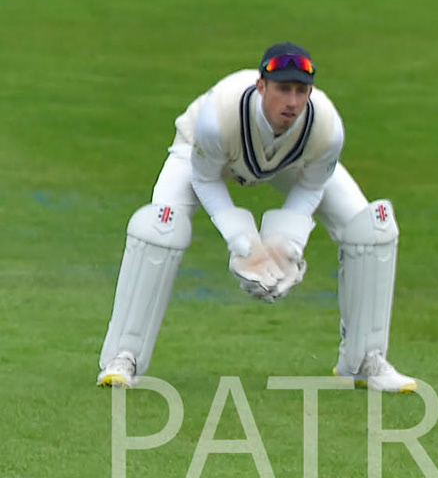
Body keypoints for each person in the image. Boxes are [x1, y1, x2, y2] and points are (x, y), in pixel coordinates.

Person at [97, 43, 416, 392]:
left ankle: (365, 361)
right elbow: (204, 178)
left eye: (301, 91)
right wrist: (242, 242)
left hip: (287, 162)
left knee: (372, 226)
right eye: (282, 89)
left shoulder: (326, 128)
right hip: (202, 156)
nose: (292, 102)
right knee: (160, 227)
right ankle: (123, 357)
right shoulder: (217, 118)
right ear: (261, 86)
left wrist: (286, 244)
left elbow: (312, 186)